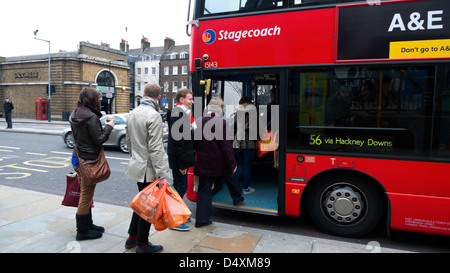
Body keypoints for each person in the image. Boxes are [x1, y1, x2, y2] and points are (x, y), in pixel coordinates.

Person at [125, 83, 171, 253]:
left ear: (144, 94)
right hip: (149, 170)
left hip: (137, 166)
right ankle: (142, 245)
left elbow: (129, 142)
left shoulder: (132, 113)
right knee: (147, 208)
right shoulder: (154, 115)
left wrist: (136, 158)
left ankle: (132, 238)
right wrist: (162, 174)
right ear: (158, 97)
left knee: (141, 204)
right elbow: (156, 148)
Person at [69, 87, 115, 241]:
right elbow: (99, 139)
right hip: (88, 161)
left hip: (77, 158)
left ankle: (89, 225)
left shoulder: (74, 113)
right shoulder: (91, 117)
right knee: (85, 196)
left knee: (86, 194)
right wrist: (109, 127)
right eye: (97, 97)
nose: (99, 100)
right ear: (92, 99)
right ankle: (82, 231)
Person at [193, 97, 244, 228]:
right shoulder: (221, 123)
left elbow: (195, 143)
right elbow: (226, 146)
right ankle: (237, 198)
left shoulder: (199, 121)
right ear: (220, 108)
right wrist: (233, 163)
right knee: (231, 178)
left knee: (204, 190)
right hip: (220, 161)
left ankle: (201, 220)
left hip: (203, 162)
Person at [167, 88, 196, 231]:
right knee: (182, 187)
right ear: (181, 100)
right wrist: (182, 164)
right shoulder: (179, 115)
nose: (192, 101)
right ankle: (175, 219)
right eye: (190, 99)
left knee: (178, 186)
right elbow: (178, 142)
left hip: (179, 158)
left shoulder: (182, 114)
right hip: (179, 160)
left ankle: (176, 214)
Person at [233, 97, 257, 194]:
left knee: (240, 165)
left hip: (237, 144)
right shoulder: (253, 113)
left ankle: (235, 187)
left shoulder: (238, 113)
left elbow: (233, 125)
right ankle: (245, 188)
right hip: (249, 144)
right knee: (247, 166)